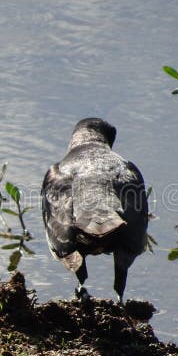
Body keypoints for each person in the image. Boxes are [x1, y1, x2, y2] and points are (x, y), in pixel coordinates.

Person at [41, 118, 148, 303]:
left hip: (79, 229)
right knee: (119, 299)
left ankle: (82, 290)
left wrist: (69, 251)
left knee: (81, 294)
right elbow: (135, 234)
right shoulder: (128, 170)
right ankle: (119, 299)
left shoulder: (58, 172)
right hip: (118, 228)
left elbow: (60, 239)